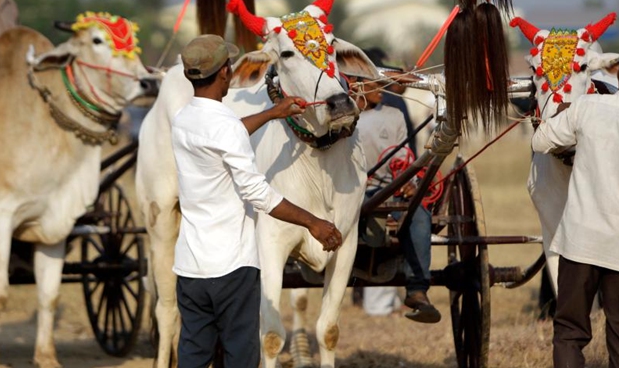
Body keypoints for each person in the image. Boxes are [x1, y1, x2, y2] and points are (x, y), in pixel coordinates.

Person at [171, 35, 343, 367]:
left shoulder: (183, 120)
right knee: (240, 355)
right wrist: (314, 223)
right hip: (231, 267)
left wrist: (273, 113)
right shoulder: (224, 127)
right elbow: (257, 192)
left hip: (191, 266)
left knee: (193, 354)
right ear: (225, 72)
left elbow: (224, 135)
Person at [532, 41, 619, 368]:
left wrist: (565, 117)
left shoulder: (586, 108)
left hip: (579, 245)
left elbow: (540, 141)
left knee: (568, 332)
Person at [352, 76, 440, 324]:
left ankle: (417, 290)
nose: (381, 89)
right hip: (353, 192)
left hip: (392, 190)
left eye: (382, 83)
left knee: (419, 214)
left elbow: (402, 156)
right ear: (357, 85)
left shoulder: (394, 115)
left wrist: (408, 181)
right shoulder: (343, 114)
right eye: (373, 84)